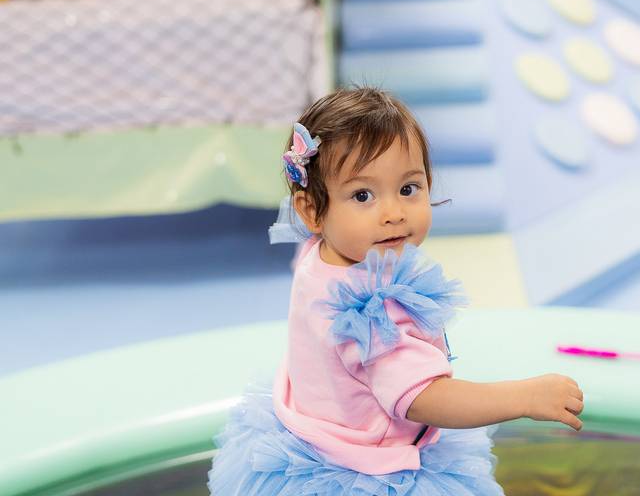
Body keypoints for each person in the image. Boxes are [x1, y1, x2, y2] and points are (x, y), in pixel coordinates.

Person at [208, 87, 584, 495]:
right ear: (312, 212)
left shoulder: (320, 253)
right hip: (372, 469)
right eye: (363, 195)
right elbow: (420, 399)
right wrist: (525, 397)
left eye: (408, 189)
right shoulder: (373, 310)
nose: (393, 214)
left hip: (311, 429)